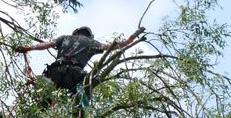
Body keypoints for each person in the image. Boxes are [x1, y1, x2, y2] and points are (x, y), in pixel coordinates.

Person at [14, 25, 146, 97]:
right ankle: (76, 109)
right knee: (77, 94)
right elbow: (112, 46)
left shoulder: (65, 38)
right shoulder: (91, 43)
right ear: (89, 36)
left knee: (44, 95)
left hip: (55, 73)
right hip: (74, 77)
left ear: (76, 32)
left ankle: (46, 104)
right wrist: (130, 40)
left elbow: (46, 45)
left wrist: (28, 48)